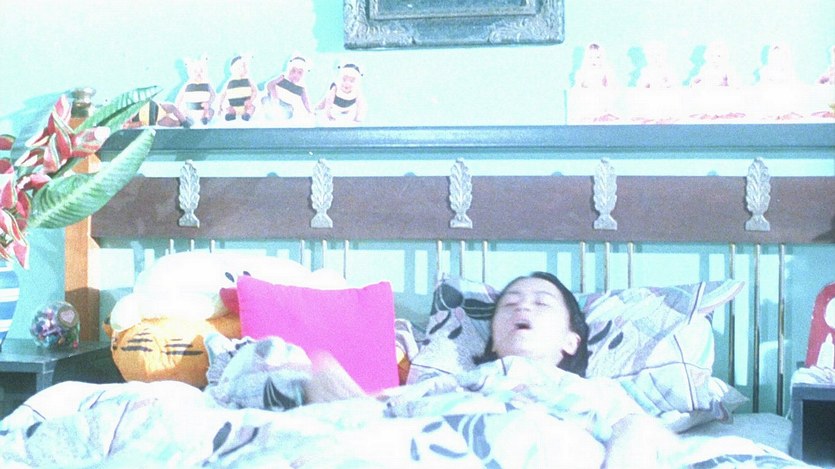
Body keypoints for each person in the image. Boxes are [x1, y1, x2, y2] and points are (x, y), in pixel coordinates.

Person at [304, 272, 681, 468]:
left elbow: (643, 432)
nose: (523, 308)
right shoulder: (456, 383)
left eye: (542, 303)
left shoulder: (595, 391)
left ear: (571, 340)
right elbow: (388, 410)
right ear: (493, 341)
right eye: (510, 304)